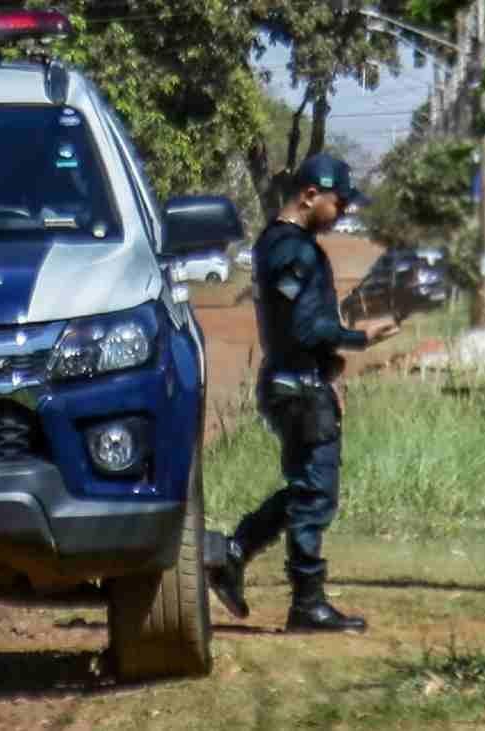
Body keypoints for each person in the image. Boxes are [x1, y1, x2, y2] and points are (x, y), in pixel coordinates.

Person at [208, 153, 400, 633]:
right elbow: (305, 326)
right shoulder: (293, 250)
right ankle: (305, 603)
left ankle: (234, 554)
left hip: (295, 382)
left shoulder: (280, 244)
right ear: (310, 195)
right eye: (339, 203)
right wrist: (359, 336)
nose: (344, 213)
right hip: (297, 387)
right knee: (316, 491)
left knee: (307, 487)